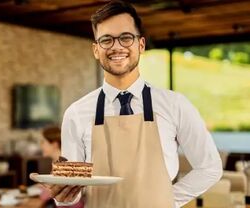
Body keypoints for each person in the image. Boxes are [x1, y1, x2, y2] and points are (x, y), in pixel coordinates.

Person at [36, 1, 223, 207]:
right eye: (106, 40)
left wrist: (168, 200)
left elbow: (210, 167)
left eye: (126, 37)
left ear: (140, 45)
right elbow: (72, 189)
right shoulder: (76, 113)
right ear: (96, 49)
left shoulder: (175, 105)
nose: (117, 47)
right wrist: (65, 196)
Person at [39, 126, 85, 208]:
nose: (41, 145)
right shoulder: (57, 162)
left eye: (43, 142)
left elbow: (47, 195)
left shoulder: (64, 164)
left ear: (54, 144)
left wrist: (44, 190)